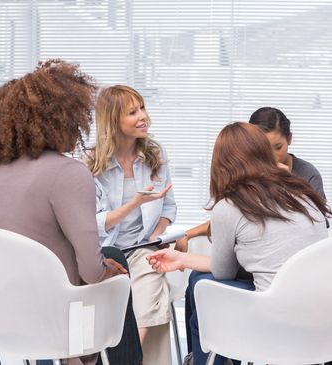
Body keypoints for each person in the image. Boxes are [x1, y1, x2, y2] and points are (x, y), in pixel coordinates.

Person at [0, 60, 142, 365]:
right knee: (114, 259)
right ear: (62, 119)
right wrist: (109, 268)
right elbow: (92, 273)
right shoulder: (68, 173)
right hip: (56, 320)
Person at [147, 122, 330, 365]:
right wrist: (182, 259)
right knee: (200, 283)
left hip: (276, 319)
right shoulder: (303, 193)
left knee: (202, 286)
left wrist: (185, 262)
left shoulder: (230, 207)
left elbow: (224, 272)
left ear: (221, 164)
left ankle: (206, 360)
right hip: (321, 317)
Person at [86, 85, 176, 364]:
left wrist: (157, 236)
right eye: (132, 112)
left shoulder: (155, 155)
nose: (143, 117)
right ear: (113, 120)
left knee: (150, 277)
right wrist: (135, 202)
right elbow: (96, 223)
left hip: (143, 247)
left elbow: (169, 207)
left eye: (143, 108)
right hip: (106, 252)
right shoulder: (91, 163)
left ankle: (124, 359)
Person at [249, 106, 326, 198]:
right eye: (263, 148)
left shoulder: (308, 174)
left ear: (289, 139)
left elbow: (317, 212)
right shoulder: (244, 172)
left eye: (278, 147)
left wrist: (287, 182)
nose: (271, 156)